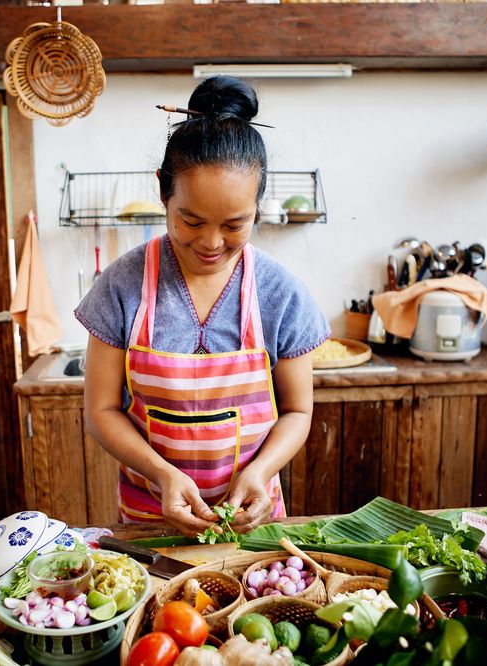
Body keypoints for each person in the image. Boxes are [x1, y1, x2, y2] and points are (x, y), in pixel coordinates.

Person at [76, 76, 330, 537]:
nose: (212, 243)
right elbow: (101, 410)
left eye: (235, 224)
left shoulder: (281, 294)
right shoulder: (122, 286)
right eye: (190, 220)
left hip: (254, 527)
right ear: (162, 192)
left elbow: (298, 412)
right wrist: (163, 474)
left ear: (258, 204)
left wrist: (259, 472)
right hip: (151, 522)